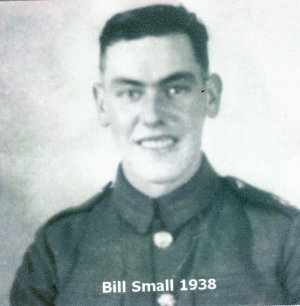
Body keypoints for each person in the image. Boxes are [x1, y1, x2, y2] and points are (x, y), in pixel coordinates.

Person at [10, 4, 300, 305]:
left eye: (175, 89)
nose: (152, 116)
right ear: (102, 105)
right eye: (130, 93)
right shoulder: (57, 249)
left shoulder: (285, 237)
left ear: (210, 96)